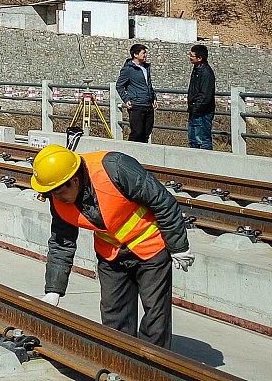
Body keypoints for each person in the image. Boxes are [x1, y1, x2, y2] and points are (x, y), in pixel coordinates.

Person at [32, 145, 193, 348]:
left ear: (74, 180)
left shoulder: (115, 168)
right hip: (111, 255)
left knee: (155, 316)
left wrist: (178, 246)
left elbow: (163, 202)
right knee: (114, 319)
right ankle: (121, 365)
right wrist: (54, 289)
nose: (56, 198)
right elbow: (61, 243)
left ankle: (154, 369)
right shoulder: (59, 200)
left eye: (58, 192)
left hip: (150, 247)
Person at [116, 44, 156, 143]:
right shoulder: (128, 69)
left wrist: (154, 97)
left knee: (146, 133)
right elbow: (119, 85)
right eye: (143, 53)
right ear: (135, 54)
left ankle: (143, 156)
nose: (145, 55)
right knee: (136, 133)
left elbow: (149, 85)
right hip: (137, 105)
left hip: (148, 105)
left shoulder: (146, 67)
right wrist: (126, 99)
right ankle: (131, 153)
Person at [186, 45, 216, 150]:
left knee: (203, 141)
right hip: (195, 111)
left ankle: (206, 164)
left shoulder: (206, 73)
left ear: (200, 58)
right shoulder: (197, 69)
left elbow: (205, 95)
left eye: (192, 55)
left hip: (203, 113)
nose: (190, 57)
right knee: (193, 141)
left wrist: (195, 108)